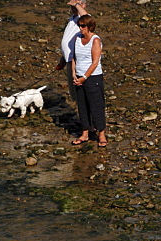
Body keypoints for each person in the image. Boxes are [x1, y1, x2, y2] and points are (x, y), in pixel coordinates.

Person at [70, 15, 107, 147]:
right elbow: (74, 57)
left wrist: (84, 77)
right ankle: (85, 132)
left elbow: (95, 62)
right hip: (79, 76)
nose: (80, 28)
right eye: (79, 26)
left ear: (90, 27)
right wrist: (74, 73)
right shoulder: (77, 39)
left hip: (93, 77)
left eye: (83, 26)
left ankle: (101, 134)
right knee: (82, 105)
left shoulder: (95, 40)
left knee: (96, 105)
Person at [57, 0, 90, 103]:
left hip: (76, 62)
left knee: (79, 91)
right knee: (73, 92)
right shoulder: (73, 18)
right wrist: (63, 58)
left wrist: (76, 5)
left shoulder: (84, 19)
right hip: (69, 60)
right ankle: (81, 112)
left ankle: (85, 115)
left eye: (77, 4)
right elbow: (70, 41)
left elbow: (85, 15)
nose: (73, 7)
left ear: (83, 5)